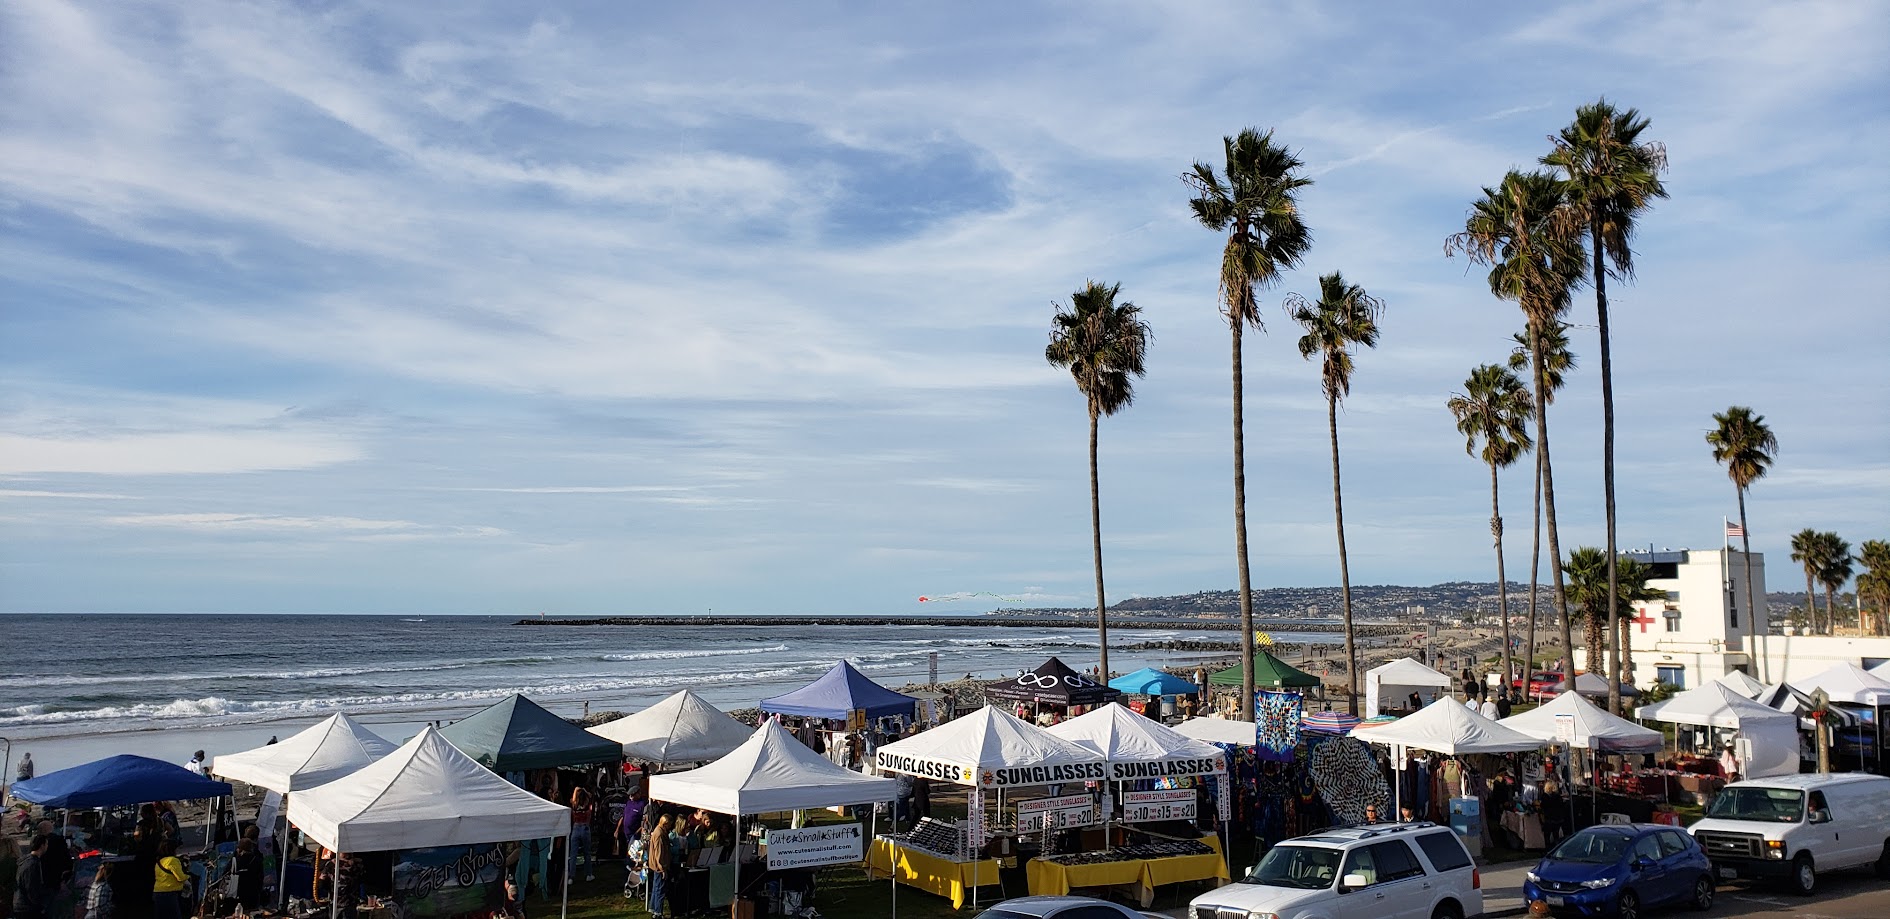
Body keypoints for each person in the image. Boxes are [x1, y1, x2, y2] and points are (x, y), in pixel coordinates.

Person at [14, 836, 49, 919]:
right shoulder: (33, 863)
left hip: (20, 904)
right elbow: (31, 886)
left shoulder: (25, 861)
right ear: (42, 845)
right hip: (27, 907)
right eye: (46, 844)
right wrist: (39, 905)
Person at [152, 841, 187, 919]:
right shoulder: (172, 860)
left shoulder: (159, 861)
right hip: (169, 893)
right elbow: (180, 878)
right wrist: (187, 876)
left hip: (157, 892)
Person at [568, 788, 595, 883]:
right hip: (585, 827)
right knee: (587, 853)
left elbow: (575, 789)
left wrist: (579, 790)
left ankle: (571, 876)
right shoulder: (587, 804)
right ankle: (588, 874)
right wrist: (585, 790)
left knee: (573, 854)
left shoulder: (574, 804)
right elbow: (590, 795)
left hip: (576, 827)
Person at [233, 838, 263, 911]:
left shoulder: (235, 860)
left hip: (237, 893)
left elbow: (226, 875)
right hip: (253, 894)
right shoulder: (257, 860)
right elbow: (260, 878)